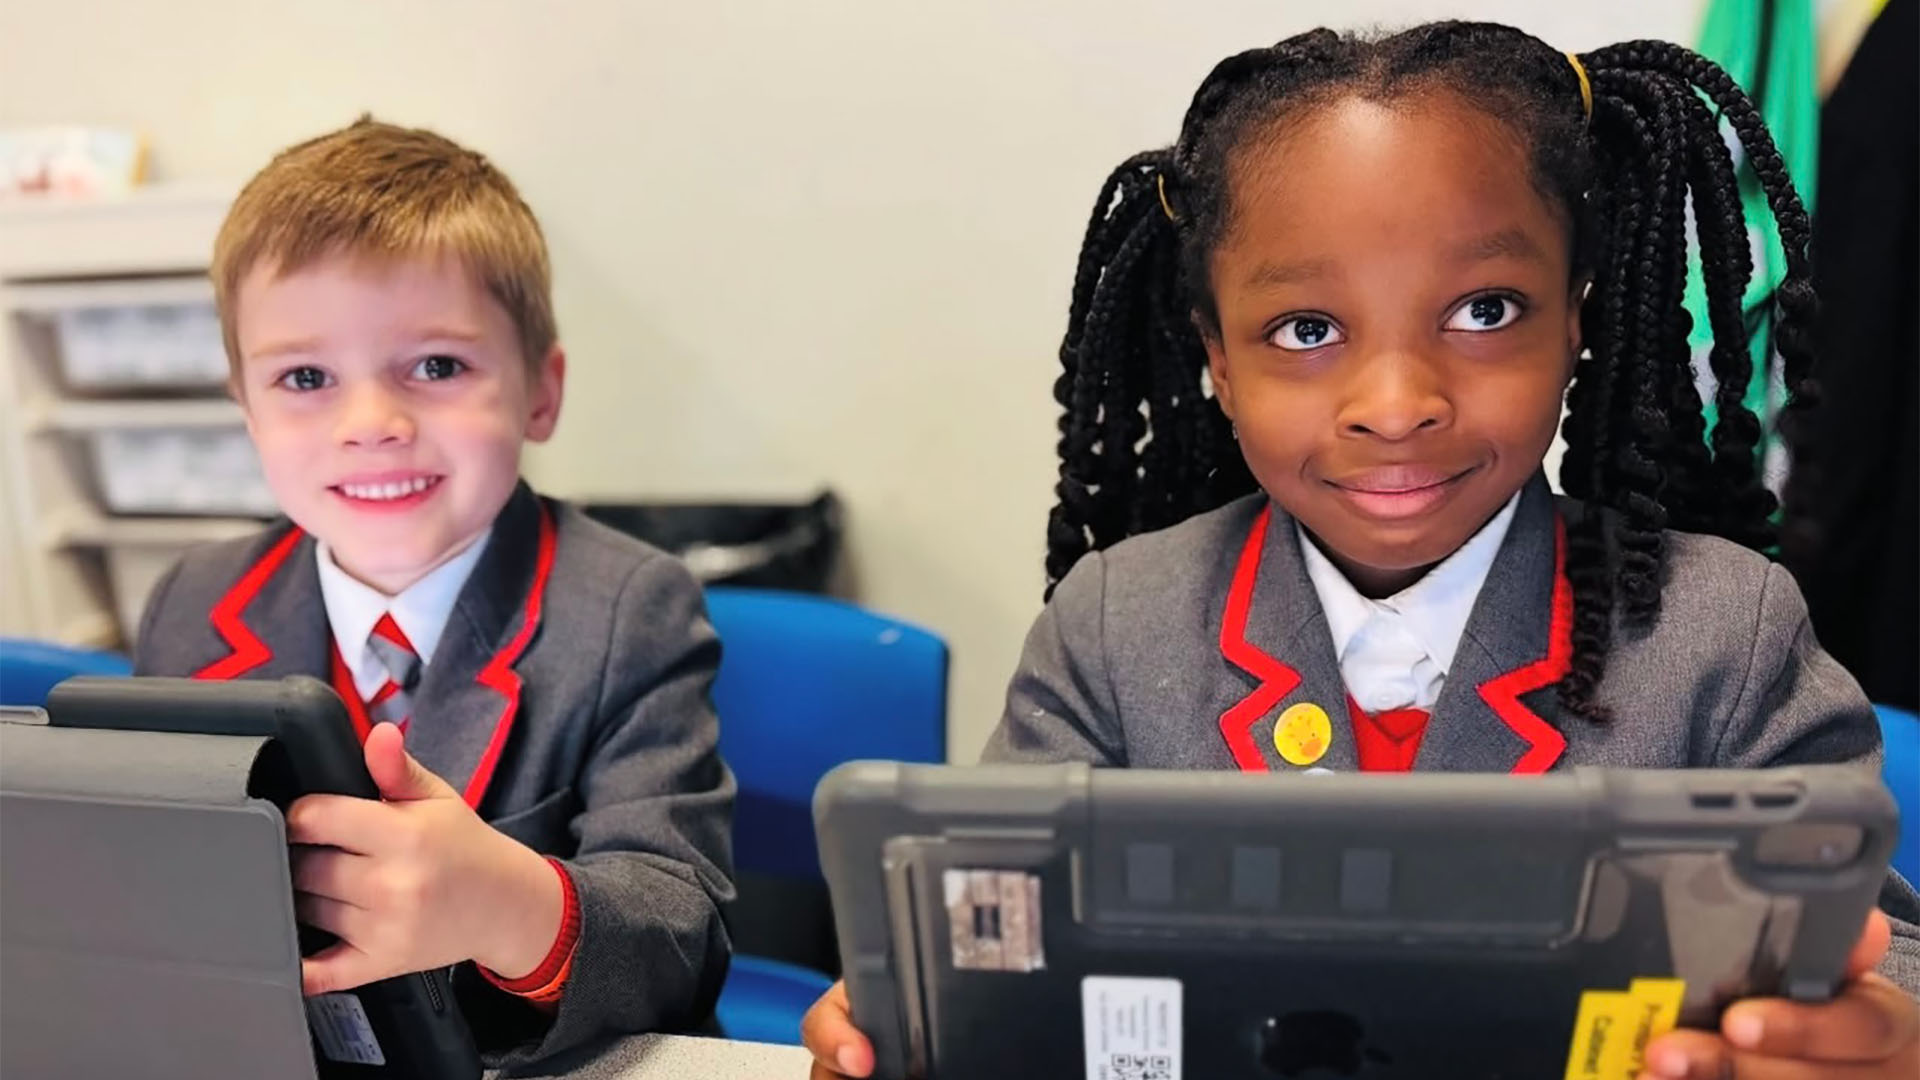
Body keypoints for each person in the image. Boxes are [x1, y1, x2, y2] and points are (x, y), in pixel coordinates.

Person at [802, 22, 1919, 1080]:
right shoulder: (1113, 627)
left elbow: (1887, 950)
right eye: (1307, 330)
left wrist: (1878, 1035)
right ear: (1219, 362)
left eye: (1485, 309)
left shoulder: (1724, 634)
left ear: (1578, 316)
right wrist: (928, 1012)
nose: (1396, 405)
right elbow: (1005, 938)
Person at [135, 117, 735, 1067]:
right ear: (246, 409)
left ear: (541, 391)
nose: (372, 423)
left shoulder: (630, 609)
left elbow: (682, 937)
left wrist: (511, 905)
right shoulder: (191, 601)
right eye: (305, 377)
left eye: (437, 366)